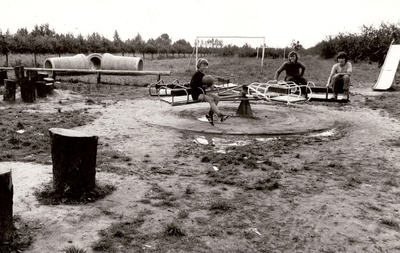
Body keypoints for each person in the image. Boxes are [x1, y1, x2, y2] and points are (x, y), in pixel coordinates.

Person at [190, 58, 230, 126]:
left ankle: (209, 114)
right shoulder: (197, 74)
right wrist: (202, 86)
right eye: (203, 65)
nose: (205, 67)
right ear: (199, 65)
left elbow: (205, 83)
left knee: (217, 98)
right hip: (196, 93)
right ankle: (220, 115)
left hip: (202, 92)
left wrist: (211, 85)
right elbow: (192, 84)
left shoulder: (203, 74)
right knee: (211, 99)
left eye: (206, 66)